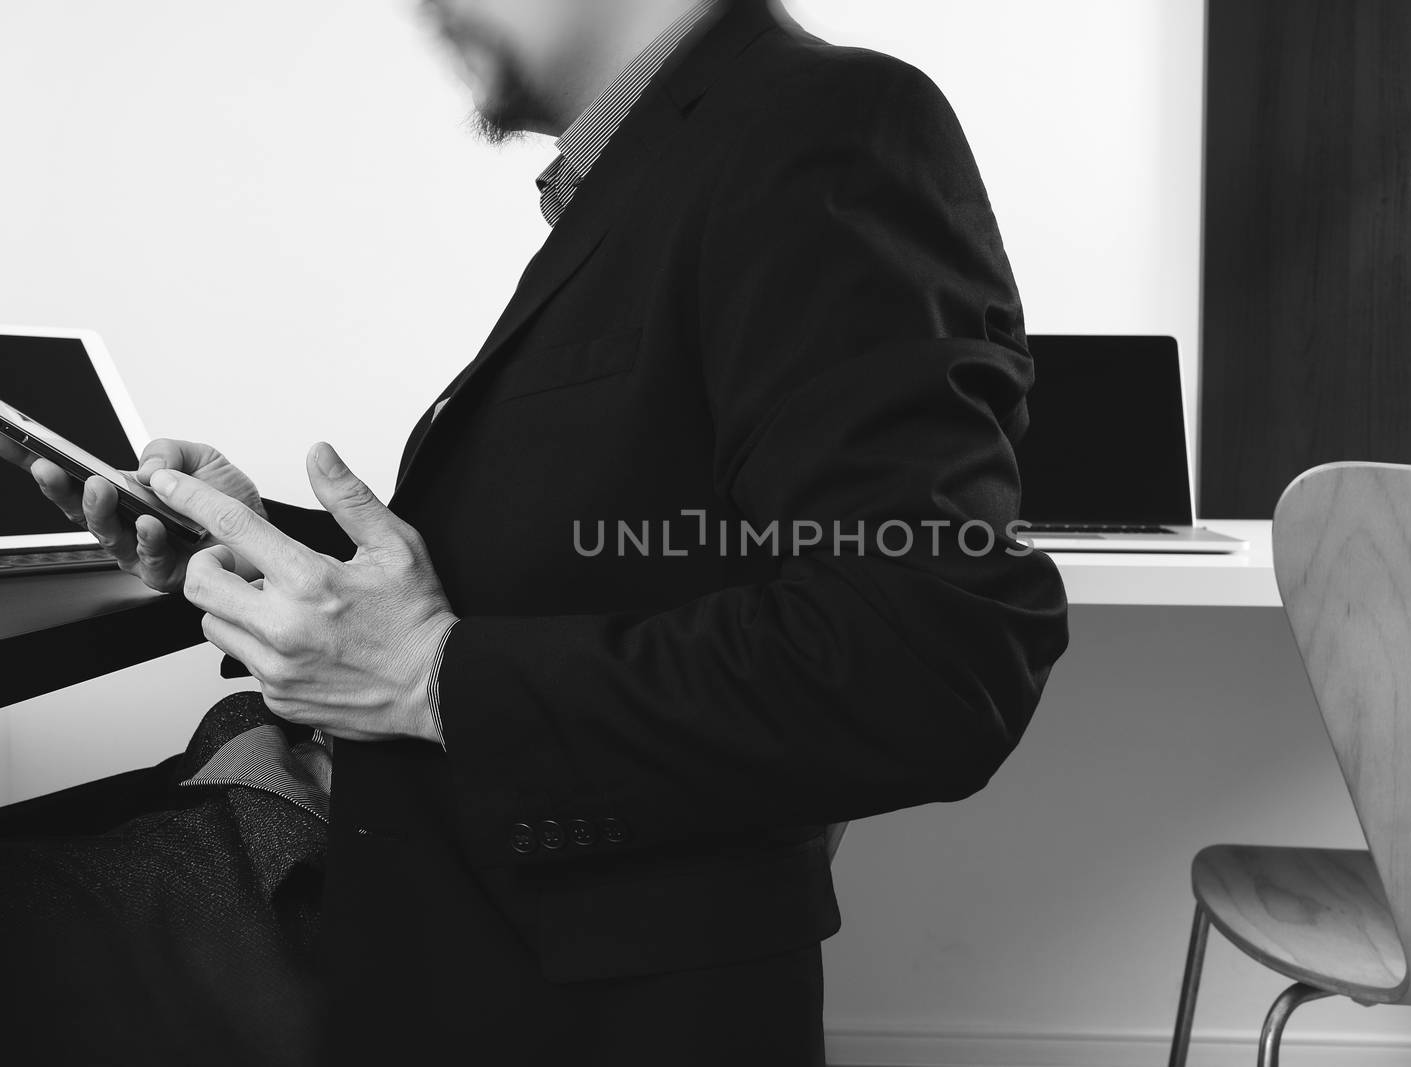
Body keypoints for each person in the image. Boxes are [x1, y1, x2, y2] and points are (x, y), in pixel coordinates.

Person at [0, 0, 1069, 1063]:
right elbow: (600, 560)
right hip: (442, 910)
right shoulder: (672, 167)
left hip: (555, 983)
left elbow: (926, 660)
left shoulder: (825, 123)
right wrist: (253, 545)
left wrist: (429, 675)